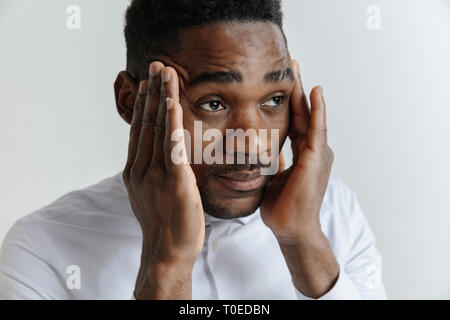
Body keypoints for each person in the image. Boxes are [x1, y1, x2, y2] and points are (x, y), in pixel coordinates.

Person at [0, 0, 386, 299]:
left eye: (274, 99)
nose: (253, 144)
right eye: (214, 103)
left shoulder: (339, 218)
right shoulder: (43, 247)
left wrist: (303, 243)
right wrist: (165, 265)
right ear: (132, 102)